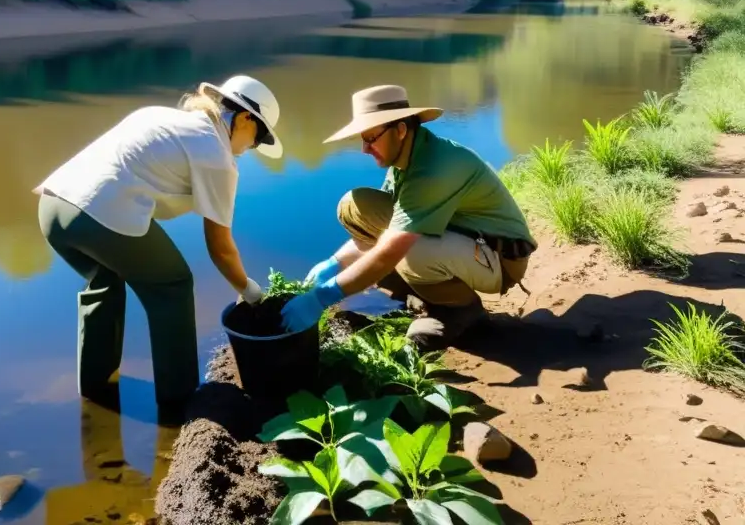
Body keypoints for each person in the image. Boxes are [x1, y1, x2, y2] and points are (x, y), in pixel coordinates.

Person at [34, 75, 282, 421]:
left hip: (53, 208)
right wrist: (252, 292)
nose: (250, 148)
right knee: (173, 285)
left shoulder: (159, 116)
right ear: (244, 119)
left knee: (104, 282)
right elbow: (220, 247)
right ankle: (179, 402)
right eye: (257, 140)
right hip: (97, 217)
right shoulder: (216, 154)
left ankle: (95, 391)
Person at [281, 84, 537, 352]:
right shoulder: (405, 160)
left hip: (501, 260)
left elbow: (392, 246)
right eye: (362, 139)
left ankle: (459, 308)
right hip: (469, 245)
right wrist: (334, 263)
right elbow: (380, 230)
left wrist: (323, 296)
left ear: (401, 130)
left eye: (371, 138)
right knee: (357, 206)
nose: (364, 149)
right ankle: (422, 288)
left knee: (407, 248)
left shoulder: (434, 169)